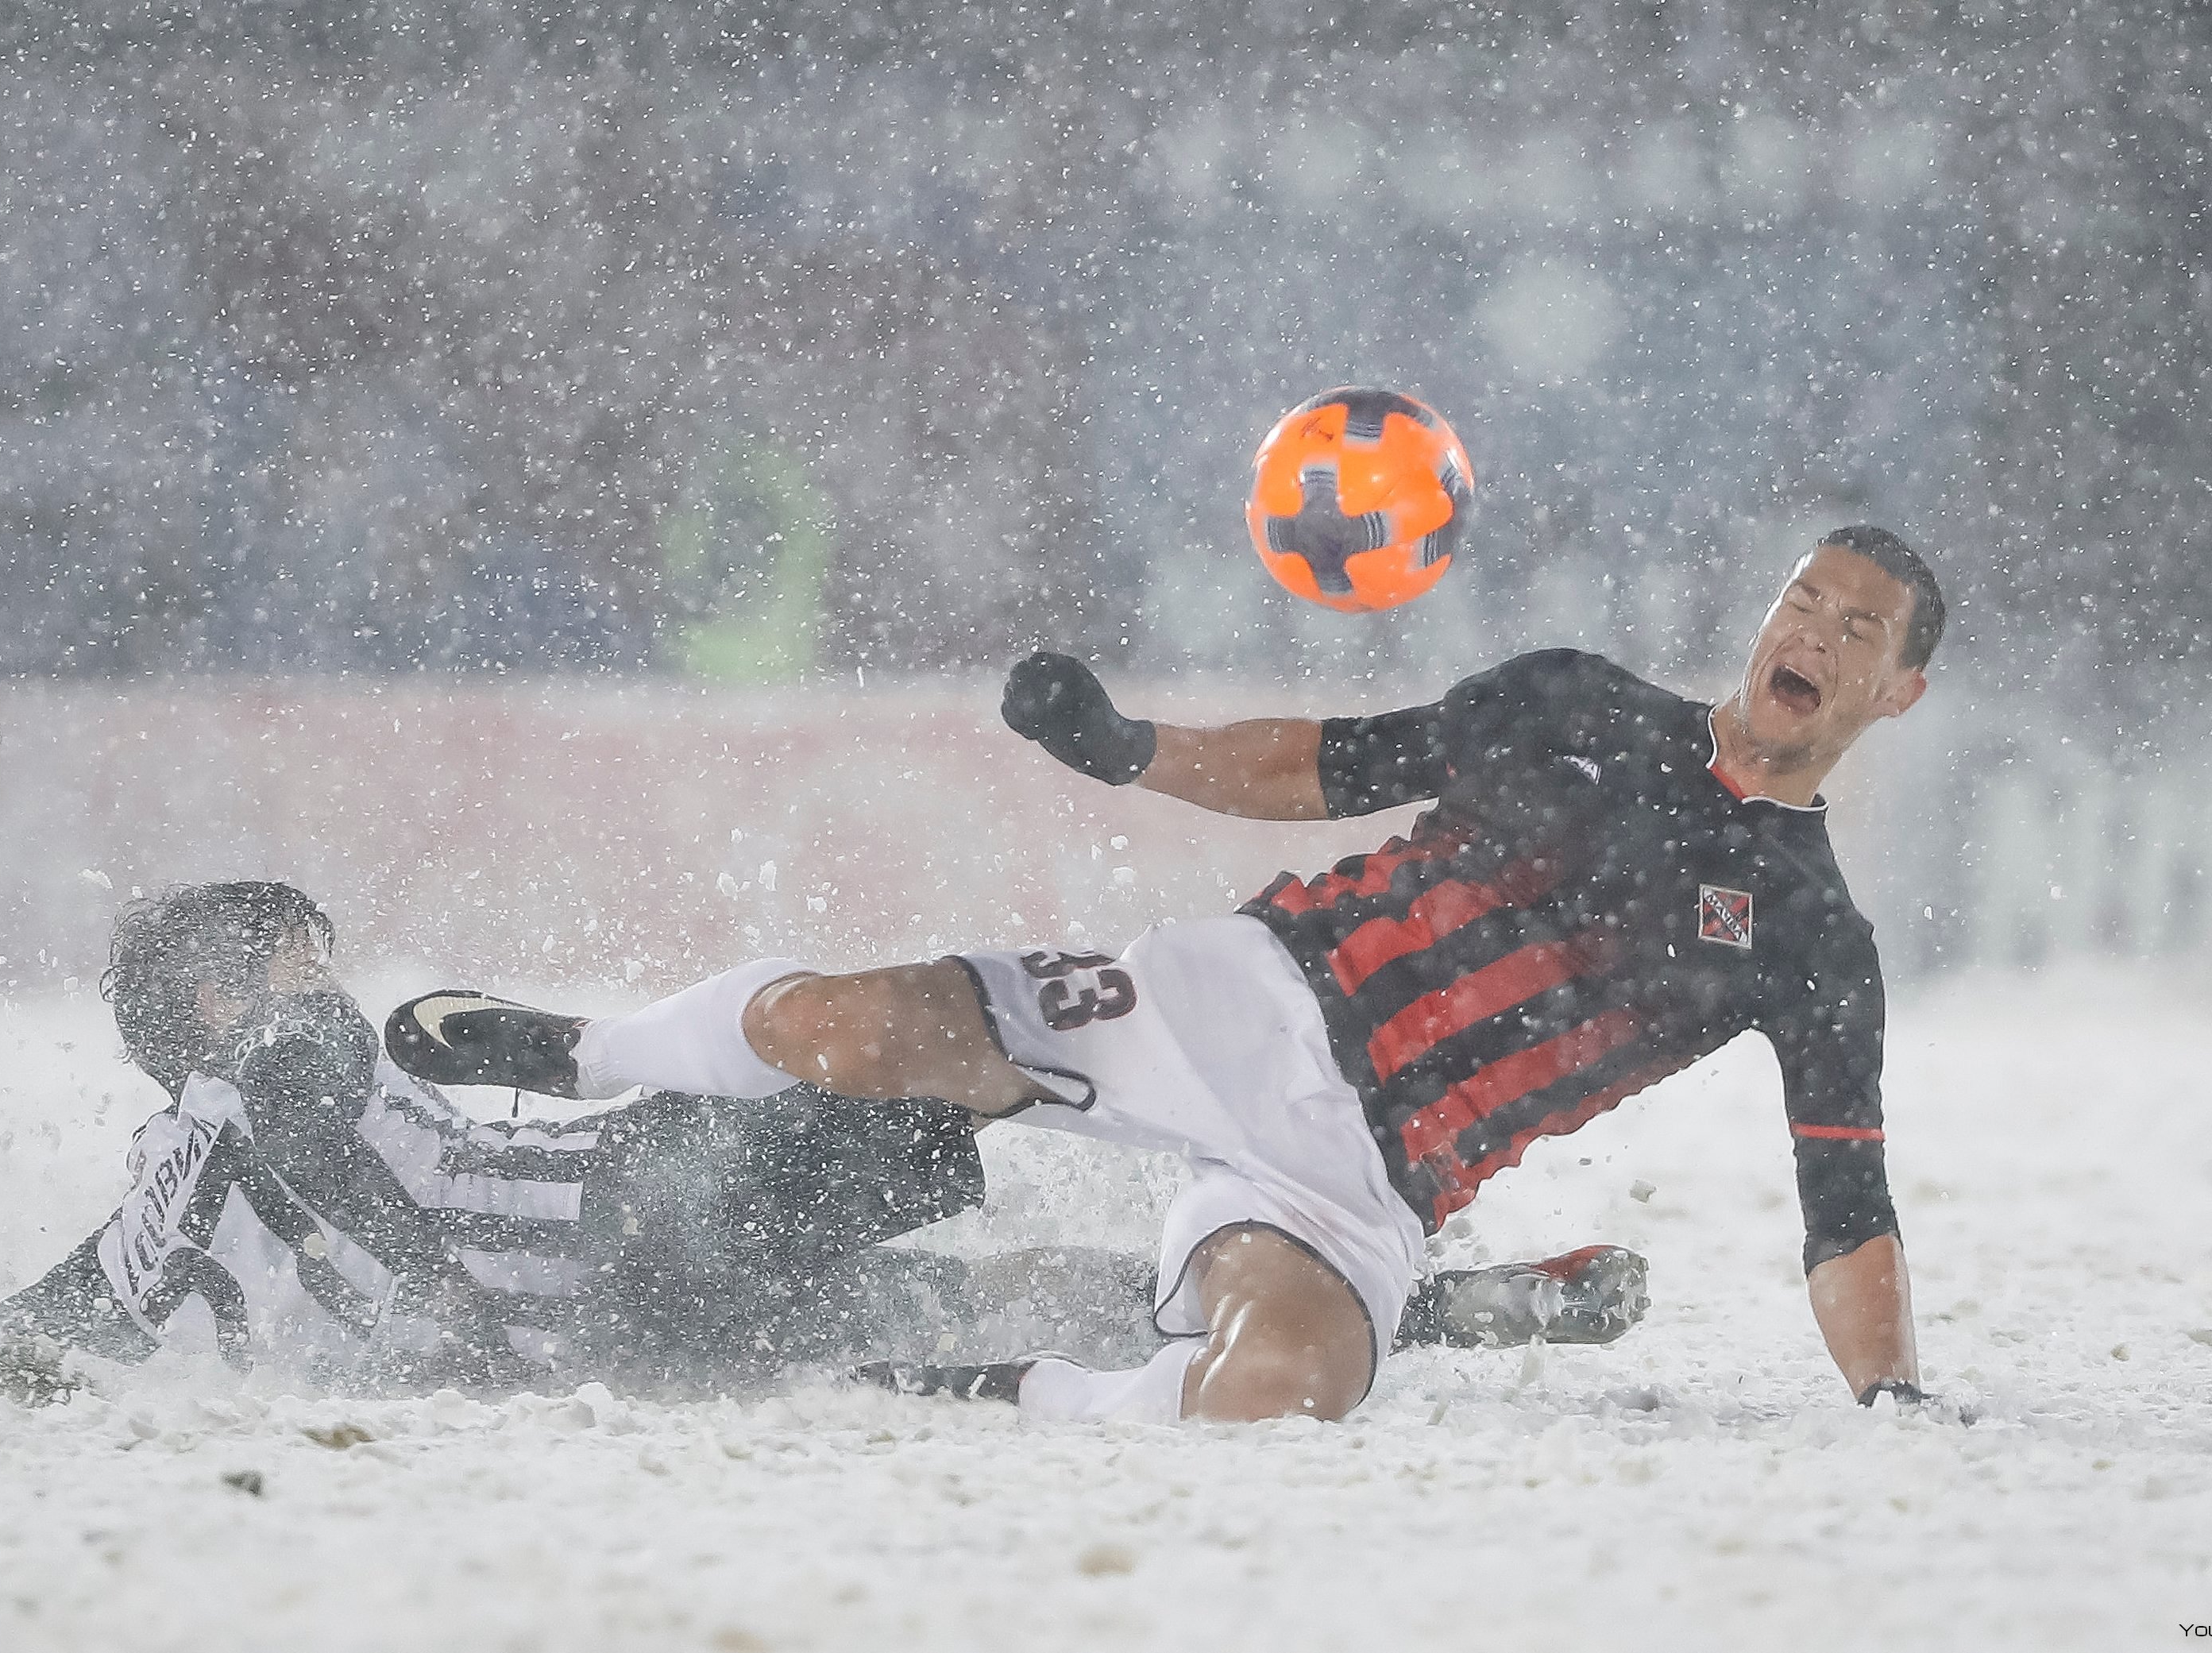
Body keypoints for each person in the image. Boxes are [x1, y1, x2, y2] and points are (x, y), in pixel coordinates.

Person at [396, 529, 1937, 1430]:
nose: (1815, 628)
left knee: (1277, 1390)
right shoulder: (1574, 703)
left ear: (1899, 691)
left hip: (1368, 1182)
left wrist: (1895, 1410)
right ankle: (587, 1049)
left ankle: (1016, 1388)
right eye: (1806, 596)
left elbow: (1847, 1214)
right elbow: (1325, 767)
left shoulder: (1816, 941)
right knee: (841, 1026)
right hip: (1237, 995)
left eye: (1859, 627)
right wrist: (1127, 750)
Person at [0, 883, 1634, 1397]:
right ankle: (1337, 1224)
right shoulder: (236, 1103)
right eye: (275, 962)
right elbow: (95, 1299)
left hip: (622, 1307)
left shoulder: (273, 1130)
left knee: (986, 1298)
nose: (315, 975)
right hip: (632, 1218)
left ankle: (1387, 1296)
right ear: (210, 1017)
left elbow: (129, 1300)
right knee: (952, 1076)